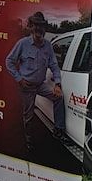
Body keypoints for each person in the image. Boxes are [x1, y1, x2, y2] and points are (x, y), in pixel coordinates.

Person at [5, 11, 66, 152]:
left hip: (40, 85)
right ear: (32, 27)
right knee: (28, 116)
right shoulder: (23, 43)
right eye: (36, 26)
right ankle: (28, 141)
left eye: (42, 26)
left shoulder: (48, 46)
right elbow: (9, 61)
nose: (39, 29)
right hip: (26, 86)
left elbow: (54, 66)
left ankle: (59, 130)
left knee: (59, 97)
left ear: (45, 29)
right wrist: (19, 79)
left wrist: (57, 84)